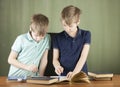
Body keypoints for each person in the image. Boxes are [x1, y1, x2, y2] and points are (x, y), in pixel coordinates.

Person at [53, 5, 91, 79]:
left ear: (78, 22)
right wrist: (57, 66)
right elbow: (55, 59)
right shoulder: (57, 37)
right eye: (64, 25)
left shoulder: (86, 34)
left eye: (70, 26)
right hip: (64, 76)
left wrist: (75, 73)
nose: (67, 29)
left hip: (80, 75)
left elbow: (83, 57)